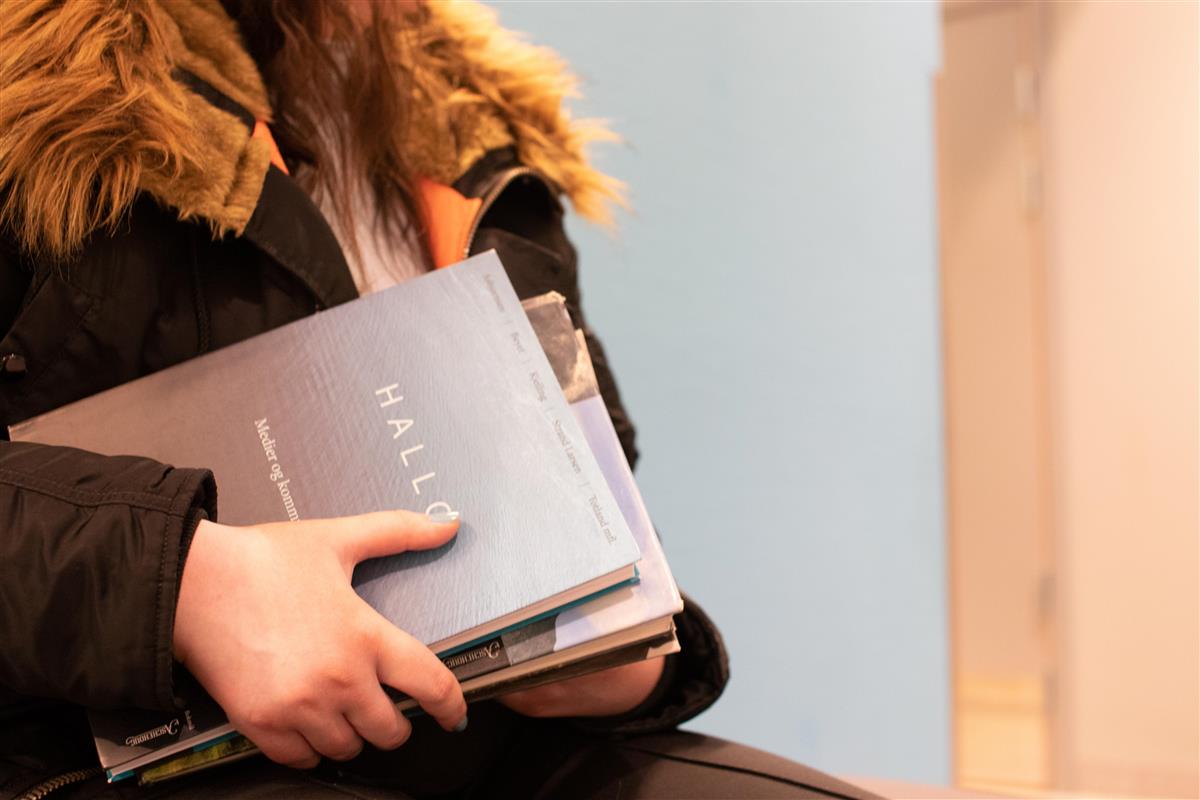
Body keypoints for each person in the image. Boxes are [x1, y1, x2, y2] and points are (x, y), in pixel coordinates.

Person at [0, 2, 879, 798]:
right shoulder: (40, 83)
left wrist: (622, 649)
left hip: (483, 737)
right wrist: (184, 583)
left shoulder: (479, 128)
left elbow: (597, 493)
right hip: (97, 753)